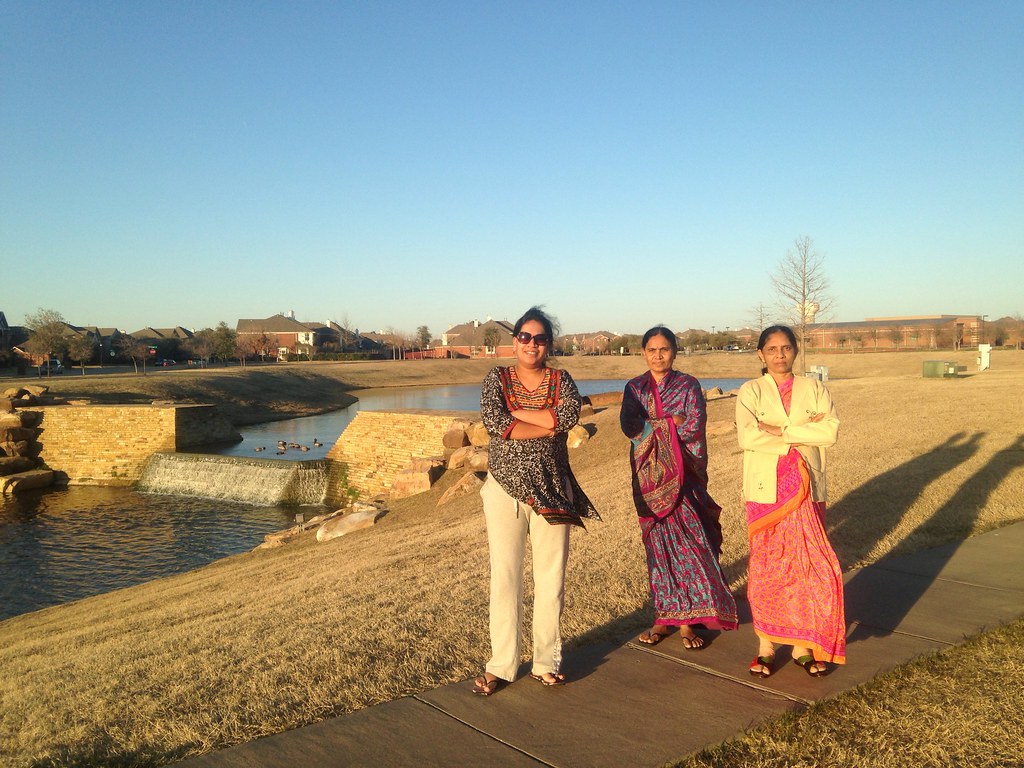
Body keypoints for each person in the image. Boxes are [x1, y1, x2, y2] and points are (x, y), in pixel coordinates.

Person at [472, 306, 598, 696]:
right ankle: (501, 665)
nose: (531, 344)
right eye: (524, 337)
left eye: (540, 338)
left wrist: (520, 415)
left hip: (553, 488)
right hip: (504, 489)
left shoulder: (563, 379)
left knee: (550, 578)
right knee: (505, 578)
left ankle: (546, 662)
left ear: (549, 344)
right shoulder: (497, 377)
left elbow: (567, 418)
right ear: (515, 342)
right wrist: (542, 419)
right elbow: (497, 425)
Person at [736, 325, 845, 678]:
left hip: (807, 486)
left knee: (807, 567)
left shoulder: (813, 387)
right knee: (769, 567)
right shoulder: (750, 391)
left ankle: (801, 644)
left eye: (785, 348)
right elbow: (748, 436)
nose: (779, 355)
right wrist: (801, 430)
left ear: (795, 351)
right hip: (766, 491)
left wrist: (779, 431)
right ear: (760, 354)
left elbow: (829, 432)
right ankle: (766, 645)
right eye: (771, 349)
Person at [620, 326, 738, 649]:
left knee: (693, 545)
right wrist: (671, 423)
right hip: (648, 480)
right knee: (658, 550)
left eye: (664, 350)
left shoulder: (688, 385)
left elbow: (695, 424)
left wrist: (660, 428)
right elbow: (629, 426)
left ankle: (689, 623)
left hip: (685, 478)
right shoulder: (634, 388)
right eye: (652, 350)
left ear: (674, 352)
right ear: (643, 353)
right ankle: (663, 618)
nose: (658, 356)